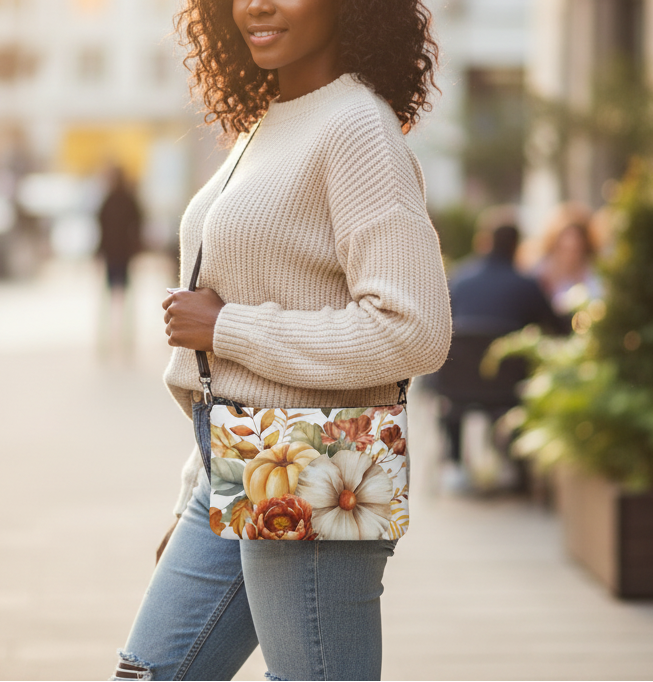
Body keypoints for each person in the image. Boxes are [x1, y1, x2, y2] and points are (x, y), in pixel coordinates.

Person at [111, 1, 451, 681]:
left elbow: (414, 329)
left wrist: (227, 327)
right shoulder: (269, 121)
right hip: (233, 464)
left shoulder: (356, 127)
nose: (256, 5)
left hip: (314, 464)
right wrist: (198, 492)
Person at [437, 207, 565, 491]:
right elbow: (557, 328)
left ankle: (455, 465)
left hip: (455, 387)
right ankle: (511, 463)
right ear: (517, 246)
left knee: (452, 395)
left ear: (484, 241)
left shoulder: (458, 280)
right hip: (509, 389)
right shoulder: (528, 285)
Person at [96, 167, 143, 357]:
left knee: (113, 299)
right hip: (121, 254)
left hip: (116, 255)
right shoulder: (127, 200)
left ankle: (115, 340)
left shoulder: (111, 200)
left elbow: (102, 227)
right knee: (122, 299)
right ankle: (122, 340)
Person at [534, 203, 602, 314]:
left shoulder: (595, 271)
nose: (571, 255)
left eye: (576, 250)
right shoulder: (540, 272)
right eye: (565, 249)